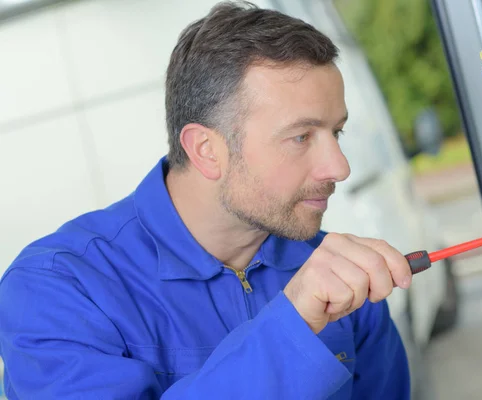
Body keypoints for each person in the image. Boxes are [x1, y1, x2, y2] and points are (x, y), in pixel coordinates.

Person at [0, 1, 412, 398]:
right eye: (301, 136)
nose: (339, 167)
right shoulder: (56, 288)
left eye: (336, 132)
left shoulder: (334, 272)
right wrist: (292, 329)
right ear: (205, 150)